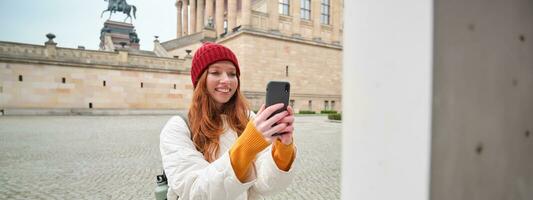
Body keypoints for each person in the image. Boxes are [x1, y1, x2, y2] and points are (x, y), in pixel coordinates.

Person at [160, 42, 297, 200]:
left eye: (232, 74)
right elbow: (196, 192)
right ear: (200, 80)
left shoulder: (248, 119)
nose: (226, 80)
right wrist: (247, 145)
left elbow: (266, 186)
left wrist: (283, 150)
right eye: (216, 72)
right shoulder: (178, 127)